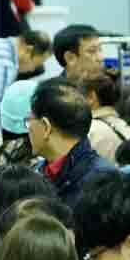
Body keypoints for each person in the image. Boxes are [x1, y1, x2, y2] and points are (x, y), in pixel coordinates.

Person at [24, 77, 110, 205]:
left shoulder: (104, 185)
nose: (28, 129)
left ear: (46, 127)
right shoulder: (37, 174)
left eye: (29, 120)